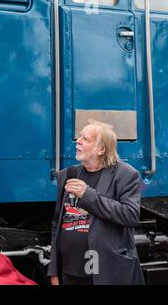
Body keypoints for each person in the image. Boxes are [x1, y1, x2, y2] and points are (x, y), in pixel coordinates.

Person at [48, 120, 144, 285]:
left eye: (85, 139)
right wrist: (54, 270)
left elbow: (130, 215)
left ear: (101, 149)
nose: (78, 141)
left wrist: (87, 195)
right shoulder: (67, 175)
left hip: (106, 272)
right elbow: (57, 224)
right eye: (79, 137)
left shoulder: (126, 175)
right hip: (70, 273)